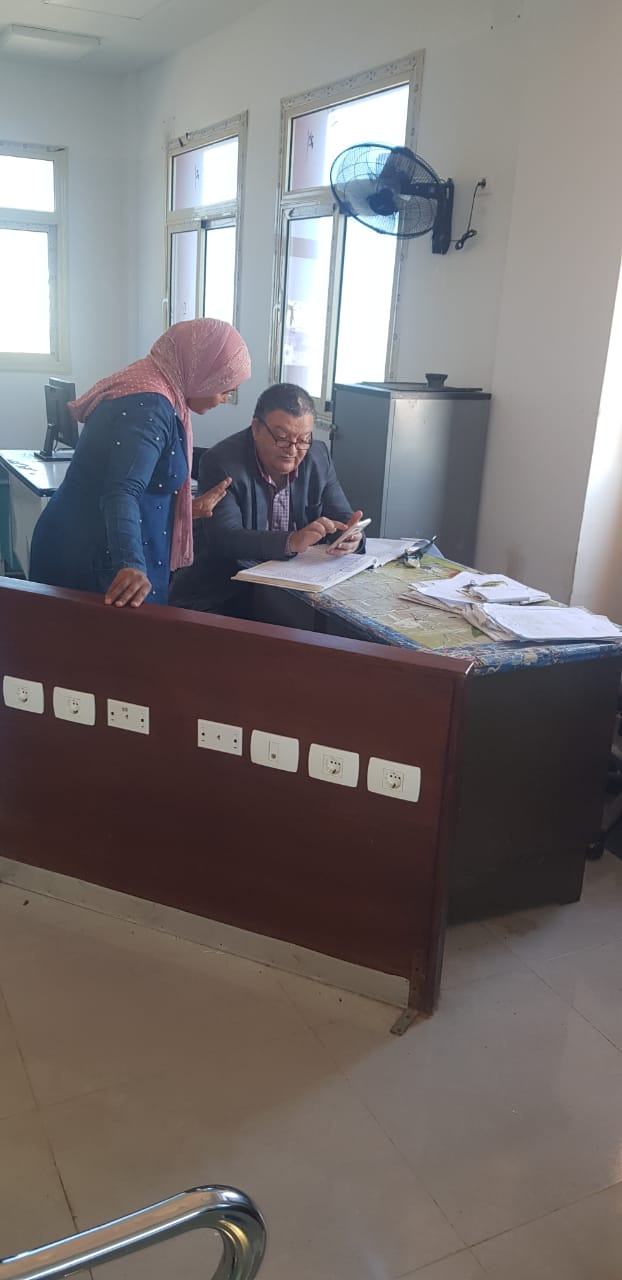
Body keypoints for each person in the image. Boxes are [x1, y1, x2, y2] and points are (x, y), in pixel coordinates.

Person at [29, 319, 251, 608]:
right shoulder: (149, 407)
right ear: (203, 370)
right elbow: (121, 491)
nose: (223, 398)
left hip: (90, 540)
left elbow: (134, 481)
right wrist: (130, 564)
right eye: (225, 388)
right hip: (97, 556)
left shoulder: (150, 383)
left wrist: (188, 509)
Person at [169, 382, 364, 614]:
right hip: (224, 595)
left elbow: (342, 517)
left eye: (303, 439)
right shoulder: (221, 462)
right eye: (282, 437)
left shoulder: (318, 457)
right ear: (256, 428)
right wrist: (291, 541)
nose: (292, 450)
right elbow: (225, 537)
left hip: (292, 593)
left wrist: (350, 537)